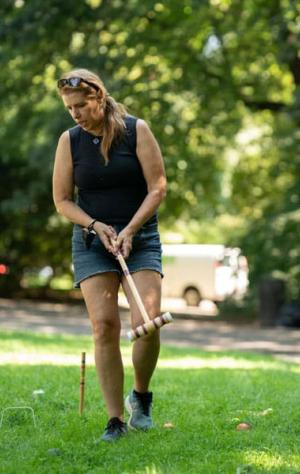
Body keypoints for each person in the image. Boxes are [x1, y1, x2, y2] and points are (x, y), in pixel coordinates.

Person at [52, 69, 167, 441]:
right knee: (104, 327)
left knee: (145, 323)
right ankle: (115, 420)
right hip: (93, 242)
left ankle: (142, 396)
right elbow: (63, 200)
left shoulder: (137, 131)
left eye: (81, 105)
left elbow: (157, 189)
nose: (76, 114)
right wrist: (95, 226)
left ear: (99, 97)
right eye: (70, 108)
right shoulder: (69, 141)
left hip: (141, 237)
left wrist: (131, 229)